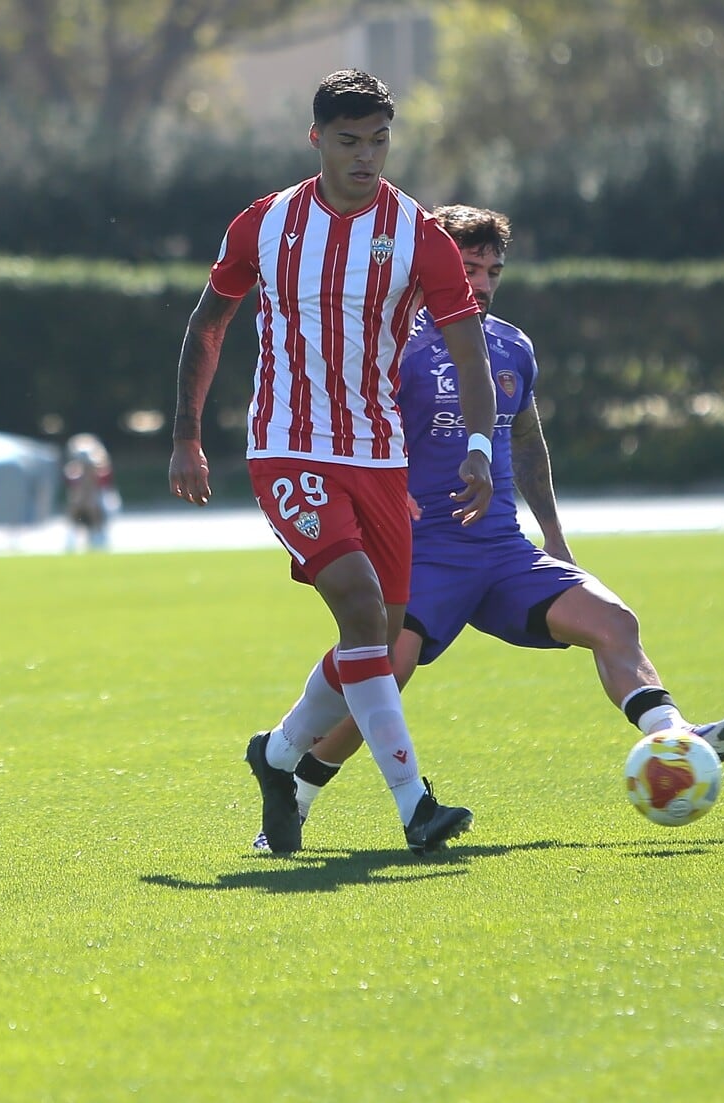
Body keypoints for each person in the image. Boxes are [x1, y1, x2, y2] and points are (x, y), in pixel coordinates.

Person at [253, 204, 724, 849]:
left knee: (614, 621)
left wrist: (554, 534)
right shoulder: (386, 343)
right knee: (384, 675)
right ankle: (294, 797)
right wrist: (380, 501)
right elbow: (348, 431)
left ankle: (675, 737)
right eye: (469, 267)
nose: (483, 282)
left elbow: (524, 439)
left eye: (493, 270)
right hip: (421, 552)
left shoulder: (511, 346)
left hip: (502, 552)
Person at [168, 70, 502, 856]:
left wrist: (480, 447)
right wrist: (186, 434)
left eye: (379, 140)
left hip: (378, 455)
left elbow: (469, 351)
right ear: (316, 138)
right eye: (350, 141)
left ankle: (279, 754)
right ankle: (415, 805)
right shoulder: (266, 222)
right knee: (358, 606)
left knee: (378, 640)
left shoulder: (419, 235)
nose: (366, 156)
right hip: (286, 445)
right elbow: (208, 324)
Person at [61, 433, 118, 551]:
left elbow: (102, 486)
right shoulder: (73, 472)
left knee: (93, 505)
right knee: (75, 504)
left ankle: (99, 535)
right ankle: (71, 537)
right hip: (82, 506)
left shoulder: (102, 470)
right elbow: (76, 492)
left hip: (102, 504)